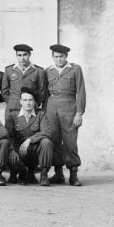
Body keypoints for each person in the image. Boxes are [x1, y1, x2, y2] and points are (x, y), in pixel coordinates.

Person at [45, 44, 86, 186]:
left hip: (69, 107)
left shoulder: (75, 69)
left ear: (66, 56)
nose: (59, 59)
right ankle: (58, 174)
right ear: (52, 57)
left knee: (70, 142)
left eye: (61, 56)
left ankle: (73, 175)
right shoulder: (48, 71)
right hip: (52, 107)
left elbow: (80, 92)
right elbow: (45, 94)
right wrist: (45, 113)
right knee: (54, 140)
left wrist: (79, 113)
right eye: (56, 56)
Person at [6, 87, 54, 186]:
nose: (28, 103)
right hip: (19, 151)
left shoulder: (41, 114)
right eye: (25, 100)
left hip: (34, 151)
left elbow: (47, 132)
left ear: (34, 102)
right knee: (6, 145)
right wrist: (12, 151)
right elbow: (8, 135)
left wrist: (29, 140)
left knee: (46, 142)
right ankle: (17, 172)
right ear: (20, 102)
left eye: (30, 100)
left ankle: (43, 175)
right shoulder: (12, 116)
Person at [1, 44, 46, 120]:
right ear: (16, 56)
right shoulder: (9, 70)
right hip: (13, 105)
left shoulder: (38, 71)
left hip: (31, 105)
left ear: (29, 55)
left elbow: (41, 91)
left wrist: (35, 103)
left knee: (31, 128)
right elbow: (4, 90)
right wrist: (10, 101)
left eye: (25, 55)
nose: (22, 58)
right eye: (19, 55)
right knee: (11, 129)